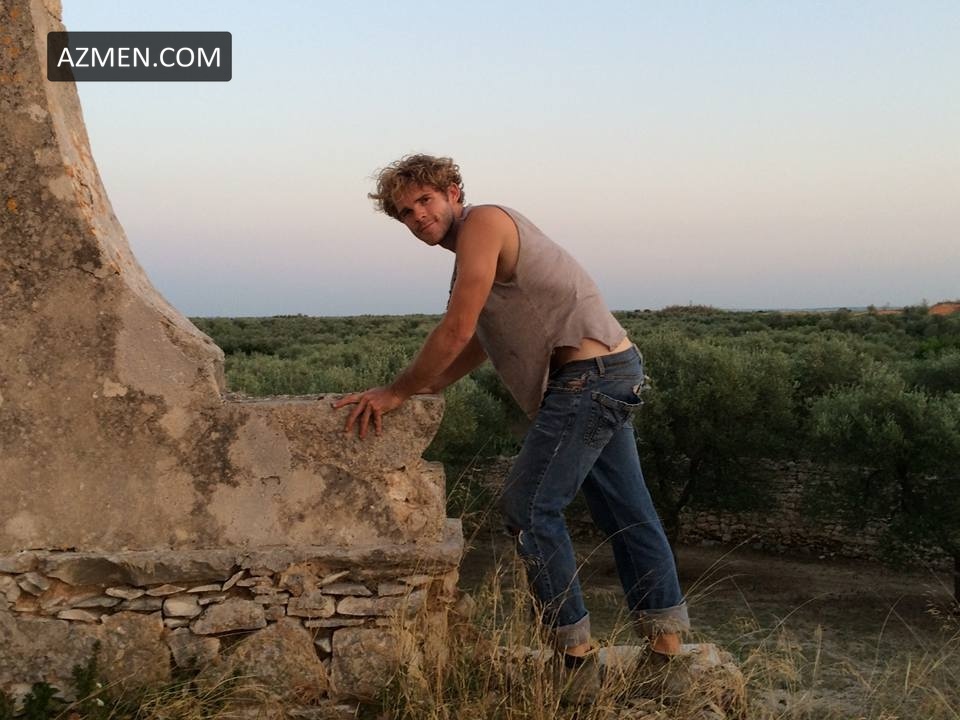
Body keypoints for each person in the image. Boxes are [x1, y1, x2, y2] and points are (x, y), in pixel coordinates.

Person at [333, 153, 689, 668]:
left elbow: (457, 329)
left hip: (588, 377)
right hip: (609, 370)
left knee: (529, 508)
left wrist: (397, 391)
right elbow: (481, 339)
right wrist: (428, 385)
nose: (418, 216)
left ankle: (574, 659)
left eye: (425, 200)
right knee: (626, 511)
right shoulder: (472, 250)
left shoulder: (484, 223)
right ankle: (665, 653)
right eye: (406, 212)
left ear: (453, 192)